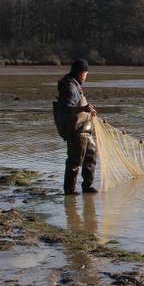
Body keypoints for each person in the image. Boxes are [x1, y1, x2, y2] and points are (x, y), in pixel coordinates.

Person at [54, 59, 97, 194]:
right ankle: (69, 191)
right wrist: (84, 108)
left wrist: (86, 109)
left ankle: (87, 187)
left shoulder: (74, 84)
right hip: (76, 130)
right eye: (86, 74)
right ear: (81, 73)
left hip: (84, 130)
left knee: (91, 156)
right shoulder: (70, 86)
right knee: (75, 161)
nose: (85, 77)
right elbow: (67, 107)